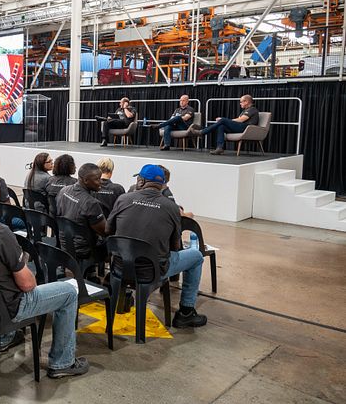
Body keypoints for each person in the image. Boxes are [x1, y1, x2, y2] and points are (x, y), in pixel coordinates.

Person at [0, 170, 89, 379]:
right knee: (68, 292)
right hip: (6, 307)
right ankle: (62, 363)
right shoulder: (0, 233)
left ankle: (4, 338)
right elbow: (28, 286)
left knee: (0, 277)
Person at [107, 164, 207, 328]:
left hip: (120, 267)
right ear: (162, 184)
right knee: (196, 256)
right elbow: (175, 246)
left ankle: (124, 295)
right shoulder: (172, 208)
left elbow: (108, 230)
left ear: (142, 181)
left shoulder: (123, 199)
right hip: (152, 271)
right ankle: (186, 312)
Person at [56, 163, 108, 259]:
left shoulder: (63, 190)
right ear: (85, 180)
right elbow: (105, 231)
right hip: (83, 249)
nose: (101, 182)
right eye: (97, 179)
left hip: (64, 242)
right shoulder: (91, 204)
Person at [190, 94, 259, 155]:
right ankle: (219, 147)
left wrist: (226, 121)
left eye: (241, 102)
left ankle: (202, 132)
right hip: (240, 127)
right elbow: (238, 120)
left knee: (222, 120)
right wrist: (226, 121)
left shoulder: (252, 109)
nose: (240, 104)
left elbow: (240, 120)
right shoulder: (245, 110)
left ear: (246, 102)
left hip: (247, 128)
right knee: (221, 126)